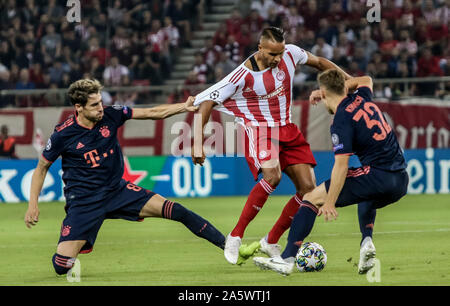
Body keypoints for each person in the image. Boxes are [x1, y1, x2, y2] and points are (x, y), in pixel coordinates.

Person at [24, 78, 226, 276]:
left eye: (101, 102)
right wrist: (33, 203)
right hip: (84, 202)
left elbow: (151, 112)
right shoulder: (62, 134)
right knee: (62, 266)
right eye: (94, 105)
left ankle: (227, 245)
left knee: (176, 210)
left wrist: (184, 106)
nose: (100, 108)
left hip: (117, 191)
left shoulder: (111, 115)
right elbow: (41, 168)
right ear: (79, 107)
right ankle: (75, 234)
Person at [191, 27, 352, 265]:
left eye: (280, 53)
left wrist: (348, 81)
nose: (277, 59)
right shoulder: (241, 75)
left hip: (287, 128)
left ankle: (271, 241)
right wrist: (197, 143)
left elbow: (319, 62)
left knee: (308, 190)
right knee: (272, 175)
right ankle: (235, 236)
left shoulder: (291, 53)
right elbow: (205, 104)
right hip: (259, 129)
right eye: (272, 54)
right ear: (260, 49)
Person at [253, 70, 409, 275]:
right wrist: (329, 89)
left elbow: (341, 166)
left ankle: (287, 258)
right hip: (400, 179)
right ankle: (366, 242)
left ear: (325, 94)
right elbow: (366, 80)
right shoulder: (362, 97)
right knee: (367, 195)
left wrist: (329, 201)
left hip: (378, 175)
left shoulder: (341, 120)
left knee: (310, 198)